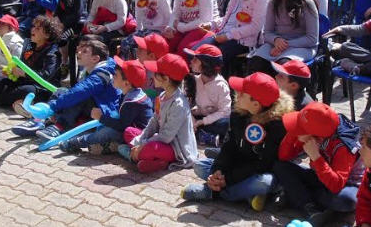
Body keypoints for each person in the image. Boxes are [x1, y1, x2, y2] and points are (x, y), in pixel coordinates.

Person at [181, 72, 291, 211]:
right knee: (199, 165)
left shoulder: (277, 125)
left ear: (256, 104)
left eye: (243, 93)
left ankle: (212, 192)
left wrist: (228, 180)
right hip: (236, 166)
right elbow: (229, 145)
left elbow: (264, 163)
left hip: (259, 171)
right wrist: (218, 171)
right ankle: (246, 195)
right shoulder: (239, 113)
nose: (237, 93)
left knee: (265, 182)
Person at [274, 102, 363, 225]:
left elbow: (336, 185)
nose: (297, 129)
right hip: (320, 176)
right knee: (280, 166)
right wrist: (293, 132)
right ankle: (310, 206)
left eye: (300, 127)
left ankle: (299, 197)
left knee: (345, 200)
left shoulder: (343, 146)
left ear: (317, 136)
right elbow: (284, 156)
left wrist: (316, 157)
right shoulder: (316, 133)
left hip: (346, 186)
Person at [25, 39, 121, 142]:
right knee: (61, 91)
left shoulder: (100, 76)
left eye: (84, 52)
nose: (78, 52)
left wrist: (52, 106)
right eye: (80, 50)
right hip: (95, 107)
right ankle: (41, 120)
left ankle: (60, 126)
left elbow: (79, 92)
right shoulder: (94, 69)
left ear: (95, 59)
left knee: (79, 97)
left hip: (103, 112)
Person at [119, 54, 198, 173]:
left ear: (166, 79)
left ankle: (137, 155)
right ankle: (150, 159)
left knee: (150, 148)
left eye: (155, 73)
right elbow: (154, 121)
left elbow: (166, 137)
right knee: (129, 132)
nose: (152, 76)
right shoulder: (161, 96)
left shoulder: (179, 104)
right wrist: (141, 140)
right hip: (160, 141)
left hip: (176, 149)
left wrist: (143, 146)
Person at [59, 56, 153, 155]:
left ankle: (74, 143)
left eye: (115, 75)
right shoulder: (128, 93)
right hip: (128, 130)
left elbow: (122, 126)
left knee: (107, 132)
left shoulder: (133, 102)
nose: (112, 76)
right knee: (104, 128)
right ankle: (111, 145)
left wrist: (101, 117)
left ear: (126, 83)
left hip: (136, 135)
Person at [192, 0, 268, 71]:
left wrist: (228, 36)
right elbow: (227, 17)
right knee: (195, 52)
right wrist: (211, 25)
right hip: (223, 34)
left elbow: (255, 27)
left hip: (242, 41)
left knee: (209, 60)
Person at [0, 15, 61, 108]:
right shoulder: (29, 45)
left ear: (47, 35)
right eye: (34, 27)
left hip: (41, 88)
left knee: (27, 90)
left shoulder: (52, 53)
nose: (33, 30)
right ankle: (21, 104)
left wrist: (23, 73)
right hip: (24, 82)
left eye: (38, 29)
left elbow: (46, 75)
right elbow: (21, 64)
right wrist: (11, 71)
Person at [249, 0, 319, 70]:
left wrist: (284, 45)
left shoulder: (307, 3)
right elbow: (267, 33)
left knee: (283, 66)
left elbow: (312, 38)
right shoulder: (273, 3)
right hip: (276, 45)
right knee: (256, 62)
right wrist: (276, 40)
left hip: (301, 47)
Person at [182, 45, 231, 147]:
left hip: (212, 119)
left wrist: (202, 122)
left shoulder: (220, 85)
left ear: (206, 64)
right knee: (180, 115)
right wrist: (192, 119)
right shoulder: (194, 80)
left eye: (195, 60)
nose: (191, 62)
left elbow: (225, 111)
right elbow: (184, 102)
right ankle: (203, 135)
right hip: (198, 117)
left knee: (226, 124)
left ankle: (199, 134)